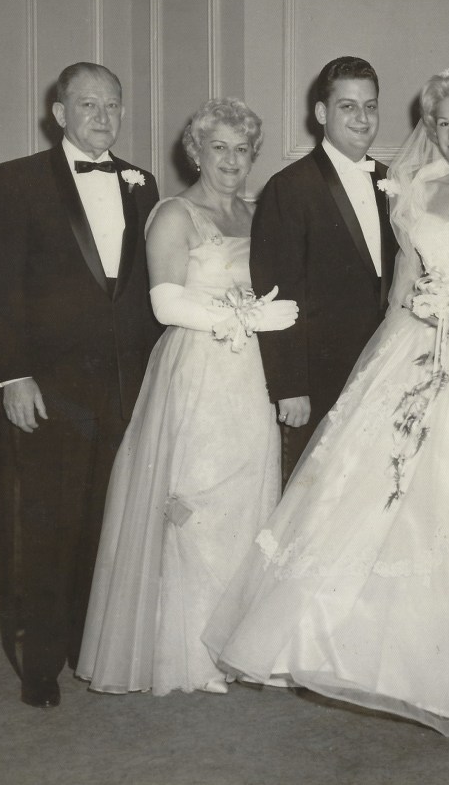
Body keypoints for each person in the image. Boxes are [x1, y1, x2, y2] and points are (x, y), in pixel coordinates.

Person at [202, 68, 449, 735]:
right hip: (412, 351)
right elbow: (403, 284)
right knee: (377, 500)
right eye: (442, 123)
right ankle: (379, 659)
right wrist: (390, 353)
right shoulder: (416, 190)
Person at [76, 99, 298, 695]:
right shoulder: (175, 214)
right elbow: (164, 304)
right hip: (200, 369)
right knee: (198, 498)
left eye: (241, 149)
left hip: (250, 374)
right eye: (217, 147)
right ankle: (190, 652)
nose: (230, 160)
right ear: (195, 152)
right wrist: (253, 317)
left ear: (254, 154)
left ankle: (234, 642)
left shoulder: (255, 215)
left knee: (248, 494)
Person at [0, 63, 162, 708]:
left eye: (113, 104)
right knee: (49, 526)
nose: (103, 117)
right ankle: (41, 665)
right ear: (60, 113)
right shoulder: (17, 182)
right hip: (49, 390)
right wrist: (12, 375)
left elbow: (141, 294)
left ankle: (93, 645)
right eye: (88, 105)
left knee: (106, 525)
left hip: (122, 387)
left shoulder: (142, 184)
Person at [249, 56, 399, 482]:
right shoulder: (289, 187)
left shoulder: (393, 182)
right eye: (347, 106)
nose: (362, 118)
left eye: (370, 106)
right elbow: (276, 293)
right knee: (311, 491)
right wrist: (290, 385)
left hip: (382, 366)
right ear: (321, 113)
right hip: (318, 377)